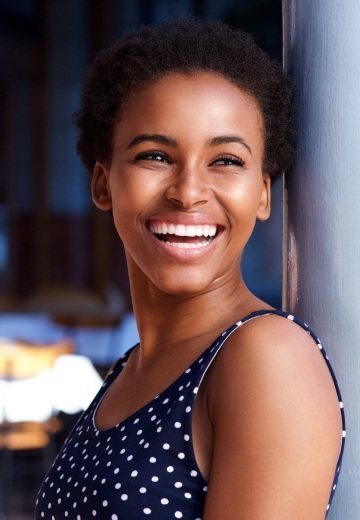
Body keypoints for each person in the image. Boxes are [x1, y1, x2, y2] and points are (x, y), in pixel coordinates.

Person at [35, 18, 345, 519]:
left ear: (263, 193)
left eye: (226, 161)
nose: (188, 191)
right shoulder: (129, 371)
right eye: (155, 155)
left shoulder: (266, 356)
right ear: (103, 184)